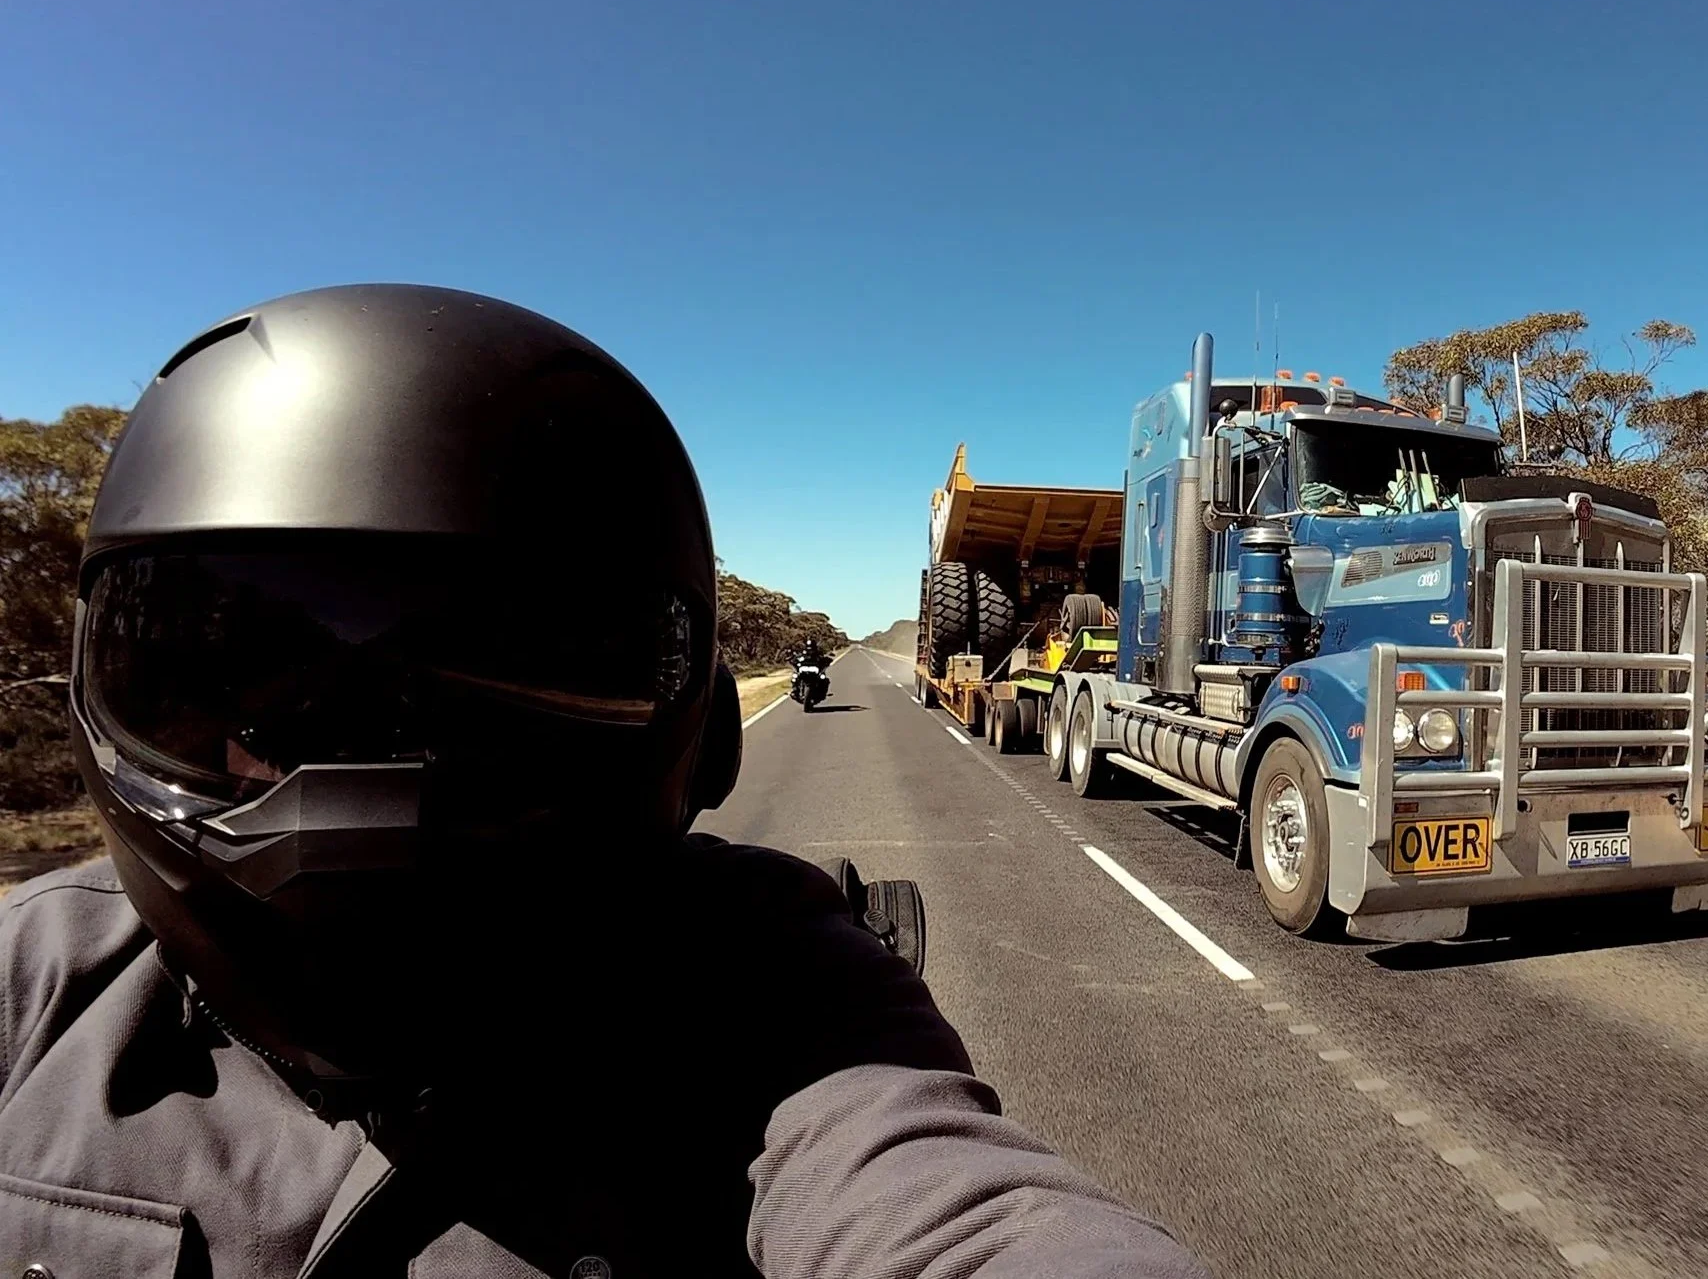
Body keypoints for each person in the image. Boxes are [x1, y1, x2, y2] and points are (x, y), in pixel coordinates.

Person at [0, 284, 1212, 1278]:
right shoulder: (35, 984)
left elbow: (950, 1199)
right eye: (258, 687)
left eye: (478, 681)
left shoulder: (767, 980)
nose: (345, 776)